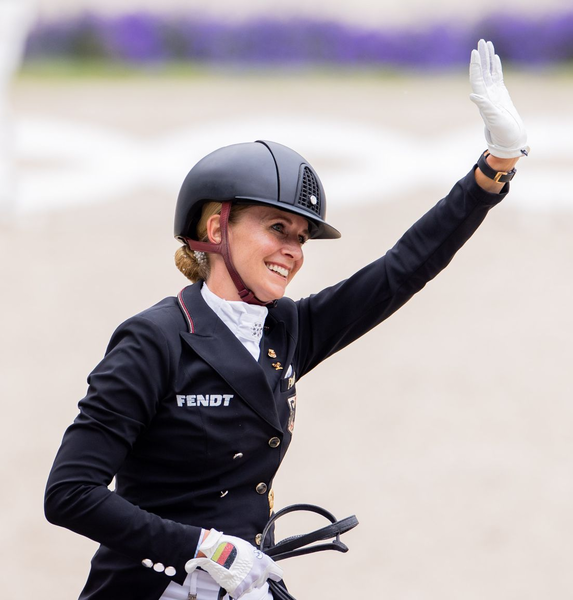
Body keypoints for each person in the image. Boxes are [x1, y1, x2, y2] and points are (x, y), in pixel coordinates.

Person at [44, 39, 529, 600]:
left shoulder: (288, 331)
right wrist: (207, 547)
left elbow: (401, 270)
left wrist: (494, 166)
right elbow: (70, 493)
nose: (293, 251)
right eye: (277, 229)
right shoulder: (152, 342)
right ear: (218, 226)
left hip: (239, 586)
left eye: (300, 239)